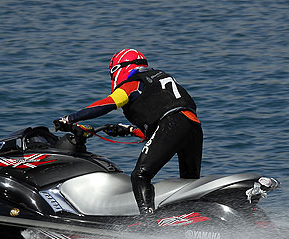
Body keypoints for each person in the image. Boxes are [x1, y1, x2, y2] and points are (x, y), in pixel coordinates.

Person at [55, 49, 203, 215]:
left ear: (120, 69)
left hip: (172, 124)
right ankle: (194, 216)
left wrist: (70, 118)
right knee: (189, 182)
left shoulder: (133, 83)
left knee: (140, 176)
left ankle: (148, 223)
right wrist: (129, 129)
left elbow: (107, 104)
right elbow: (162, 131)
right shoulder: (157, 79)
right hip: (193, 126)